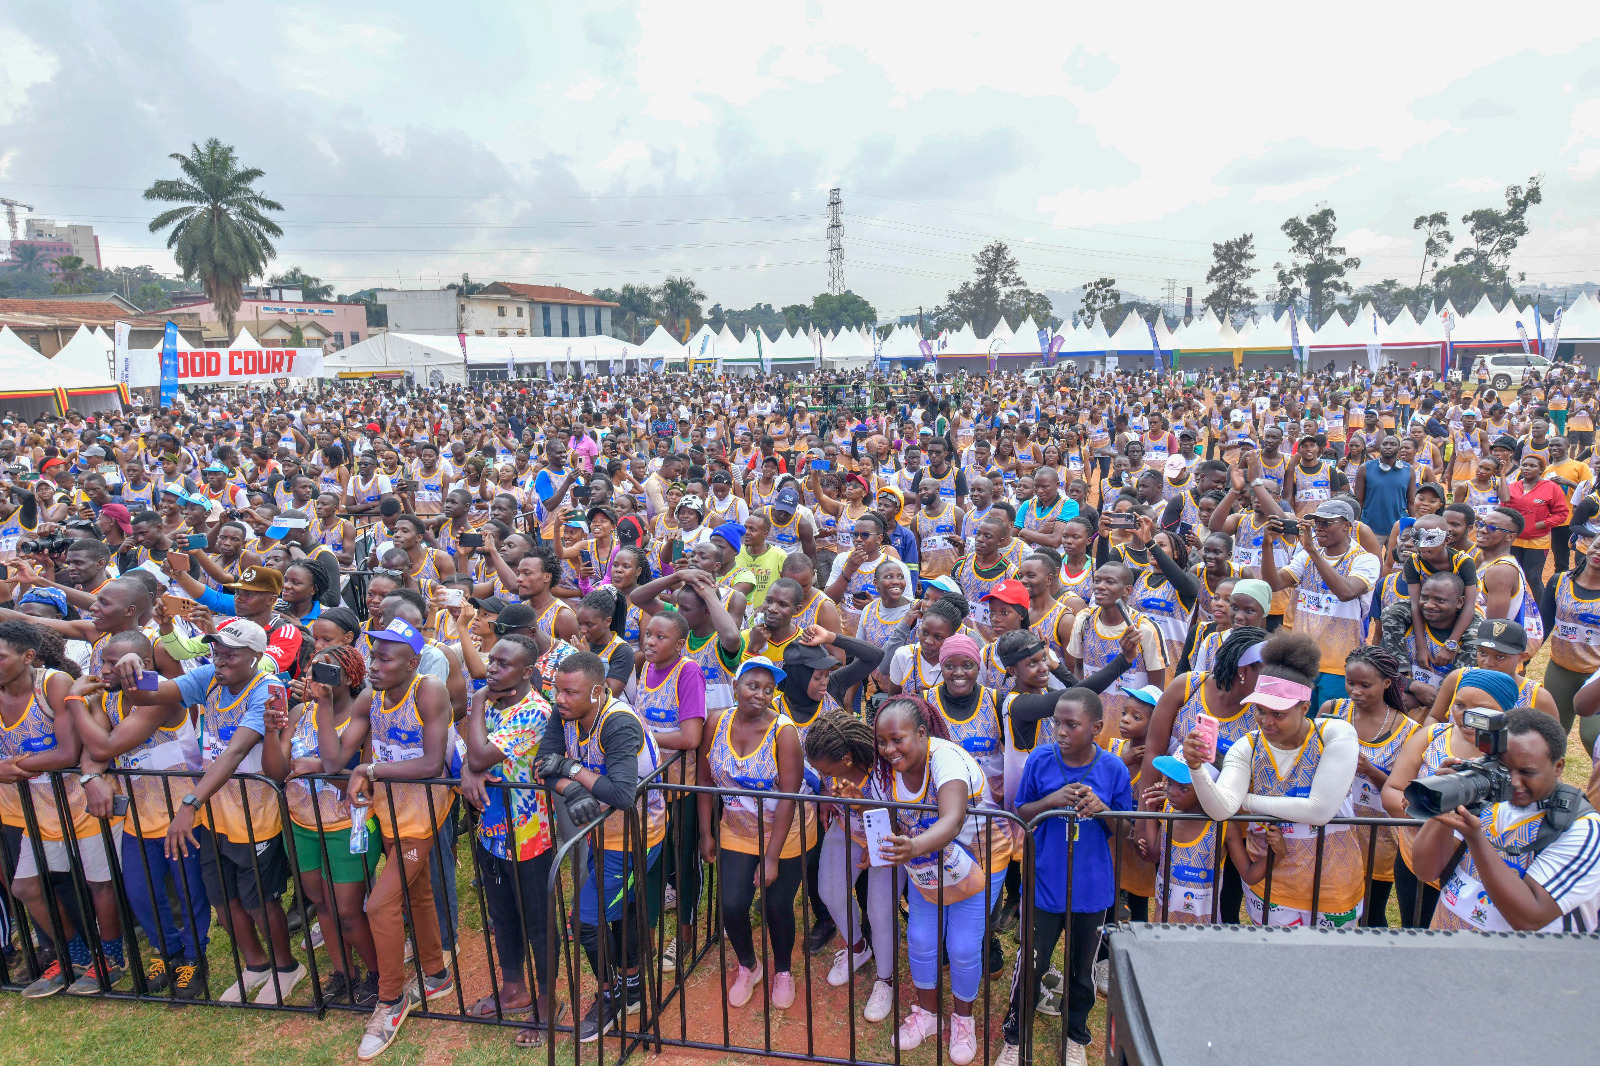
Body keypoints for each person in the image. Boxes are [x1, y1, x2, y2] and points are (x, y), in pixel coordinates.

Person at [110, 618, 305, 1004]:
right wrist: (133, 664)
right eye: (216, 651)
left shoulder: (266, 689)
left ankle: (286, 968)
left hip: (253, 811)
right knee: (222, 898)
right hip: (216, 810)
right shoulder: (207, 677)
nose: (220, 659)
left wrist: (189, 803)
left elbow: (234, 753)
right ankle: (255, 966)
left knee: (259, 900)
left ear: (256, 656)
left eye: (230, 653)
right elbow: (152, 693)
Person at [1181, 632, 1364, 927]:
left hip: (1331, 883)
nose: (1267, 721)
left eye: (1278, 713)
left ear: (1304, 708)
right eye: (1261, 710)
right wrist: (1197, 768)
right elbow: (1221, 809)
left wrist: (1247, 802)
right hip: (1271, 887)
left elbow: (1319, 810)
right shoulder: (1248, 745)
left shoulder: (1335, 734)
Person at [873, 695, 1012, 1066]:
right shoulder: (888, 768)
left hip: (981, 856)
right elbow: (886, 815)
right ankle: (928, 1015)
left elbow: (951, 820)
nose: (888, 749)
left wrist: (912, 845)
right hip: (926, 858)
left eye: (897, 739)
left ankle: (963, 1020)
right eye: (882, 741)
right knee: (920, 937)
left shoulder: (946, 759)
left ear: (921, 733)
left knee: (963, 945)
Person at [997, 688, 1129, 1066]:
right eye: (1056, 722)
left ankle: (1076, 1036)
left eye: (1072, 724)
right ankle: (1015, 1037)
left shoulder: (1113, 769)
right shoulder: (1040, 759)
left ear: (1097, 728)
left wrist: (1102, 809)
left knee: (1081, 972)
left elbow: (1124, 828)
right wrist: (1052, 800)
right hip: (1044, 885)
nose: (1060, 730)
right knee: (1032, 965)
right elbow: (1021, 811)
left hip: (1091, 890)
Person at [537, 650, 664, 1040]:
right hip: (601, 831)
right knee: (620, 913)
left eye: (569, 692)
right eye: (557, 690)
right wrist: (573, 790)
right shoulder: (567, 714)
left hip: (634, 838)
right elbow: (542, 763)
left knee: (586, 922)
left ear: (596, 691)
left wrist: (572, 768)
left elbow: (622, 793)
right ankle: (631, 987)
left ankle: (612, 996)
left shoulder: (618, 724)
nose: (559, 699)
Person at [262, 643, 381, 1006]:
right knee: (322, 904)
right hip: (301, 823)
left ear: (349, 676)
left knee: (347, 909)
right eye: (312, 668)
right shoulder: (300, 712)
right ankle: (345, 973)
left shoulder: (363, 717)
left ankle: (378, 975)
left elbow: (363, 782)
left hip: (348, 824)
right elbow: (278, 772)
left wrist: (322, 770)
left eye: (327, 671)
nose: (316, 677)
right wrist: (271, 731)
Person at [456, 634, 560, 1047]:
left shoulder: (535, 712)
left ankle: (548, 1002)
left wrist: (476, 704)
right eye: (491, 661)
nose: (492, 669)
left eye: (502, 664)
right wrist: (468, 772)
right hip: (492, 831)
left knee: (537, 920)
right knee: (502, 916)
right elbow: (469, 755)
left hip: (529, 834)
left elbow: (480, 755)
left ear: (527, 672)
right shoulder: (495, 705)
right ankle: (514, 987)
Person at [1410, 704, 1600, 931]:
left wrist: (1475, 838)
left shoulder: (1579, 830)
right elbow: (1425, 871)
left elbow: (1530, 918)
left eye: (1527, 772)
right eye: (1502, 768)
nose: (1514, 782)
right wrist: (1445, 797)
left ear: (1558, 766)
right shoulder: (1484, 796)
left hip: (1516, 963)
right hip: (1447, 950)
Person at [696, 657, 813, 1011]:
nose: (760, 695)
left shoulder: (784, 732)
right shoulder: (716, 722)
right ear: (736, 686)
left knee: (777, 905)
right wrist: (706, 833)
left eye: (768, 689)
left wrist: (772, 857)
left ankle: (783, 971)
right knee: (732, 905)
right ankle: (749, 964)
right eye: (752, 686)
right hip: (736, 828)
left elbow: (789, 797)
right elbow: (704, 781)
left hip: (786, 831)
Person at [1319, 645, 1419, 926]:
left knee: (1371, 915)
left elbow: (1408, 793)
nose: (1356, 691)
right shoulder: (1333, 711)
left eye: (1366, 685)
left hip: (1380, 837)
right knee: (1332, 907)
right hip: (1335, 830)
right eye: (1351, 683)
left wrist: (1369, 770)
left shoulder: (1409, 731)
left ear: (1387, 683)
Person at [1257, 496, 1380, 712]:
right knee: (1296, 721)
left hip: (1339, 664)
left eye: (1326, 522)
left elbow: (1346, 592)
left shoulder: (1365, 560)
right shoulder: (1305, 555)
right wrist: (1267, 545)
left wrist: (1313, 551)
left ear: (1347, 526)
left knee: (1326, 727)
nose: (1319, 528)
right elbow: (1273, 583)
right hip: (1301, 659)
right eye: (1316, 523)